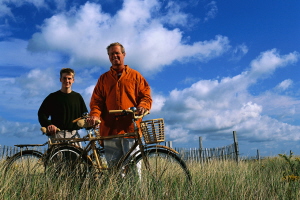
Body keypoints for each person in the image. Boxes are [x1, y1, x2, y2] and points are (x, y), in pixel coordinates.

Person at [87, 42, 152, 167]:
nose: (114, 56)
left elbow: (146, 95)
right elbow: (96, 101)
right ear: (108, 57)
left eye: (117, 53)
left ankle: (136, 188)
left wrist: (143, 106)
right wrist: (95, 115)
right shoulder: (103, 79)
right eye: (111, 54)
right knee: (114, 170)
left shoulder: (136, 76)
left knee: (134, 169)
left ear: (124, 54)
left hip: (130, 128)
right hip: (109, 130)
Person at [38, 68, 88, 147]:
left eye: (69, 78)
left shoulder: (78, 97)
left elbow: (85, 115)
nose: (67, 81)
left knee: (77, 159)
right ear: (60, 79)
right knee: (56, 159)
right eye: (64, 78)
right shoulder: (53, 97)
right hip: (57, 135)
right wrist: (48, 125)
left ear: (73, 80)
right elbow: (42, 113)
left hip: (74, 136)